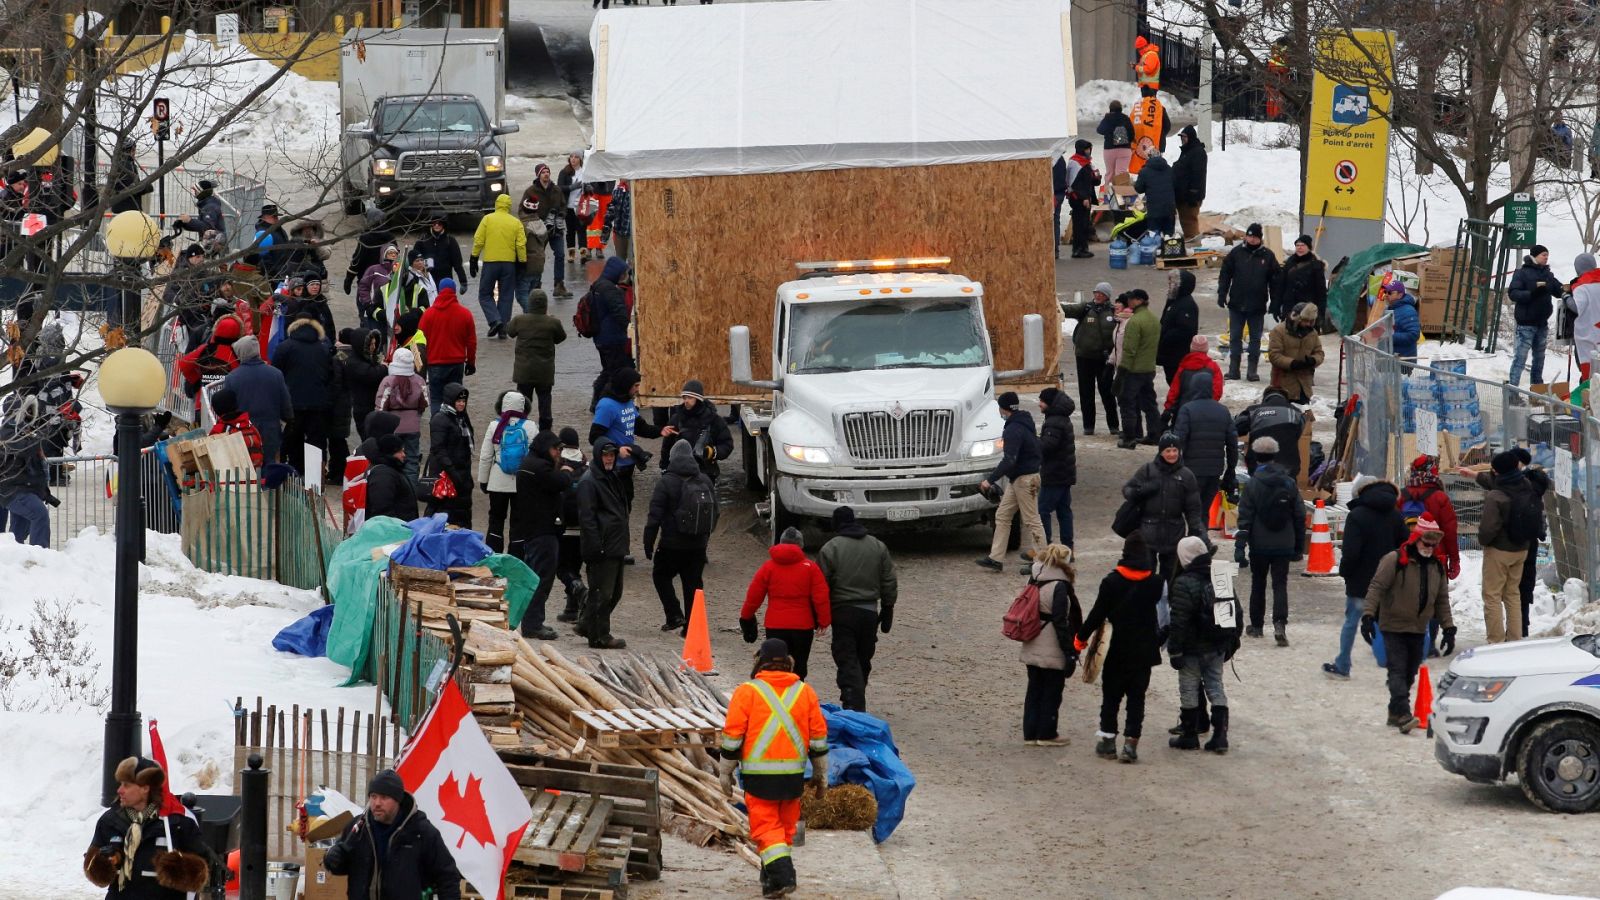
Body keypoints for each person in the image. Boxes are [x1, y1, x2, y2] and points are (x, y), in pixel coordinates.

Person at [717, 638, 829, 899]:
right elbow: (818, 738)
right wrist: (822, 774)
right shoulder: (805, 692)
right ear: (788, 663)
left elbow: (733, 737)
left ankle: (782, 876)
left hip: (759, 778)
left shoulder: (747, 692)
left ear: (759, 662)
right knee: (785, 828)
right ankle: (770, 880)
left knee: (766, 828)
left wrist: (724, 771)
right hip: (793, 777)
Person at [1361, 516, 1454, 733]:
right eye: (1426, 543)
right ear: (1416, 539)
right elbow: (1376, 587)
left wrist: (1449, 628)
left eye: (1433, 545)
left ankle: (1394, 713)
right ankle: (1403, 714)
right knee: (1397, 669)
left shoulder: (1436, 567)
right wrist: (1367, 615)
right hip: (1392, 625)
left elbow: (1442, 600)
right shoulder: (1394, 560)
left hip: (1418, 628)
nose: (1429, 548)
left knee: (1410, 672)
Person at [1079, 531, 1162, 763]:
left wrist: (1080, 638)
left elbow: (1097, 615)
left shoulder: (1111, 582)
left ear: (1125, 554)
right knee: (1137, 699)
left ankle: (1107, 742)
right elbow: (1165, 617)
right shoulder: (1156, 583)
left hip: (1115, 651)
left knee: (1111, 697)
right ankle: (1130, 745)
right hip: (1144, 653)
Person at [84, 756, 211, 899]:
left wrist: (177, 868)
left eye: (127, 785)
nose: (119, 790)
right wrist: (103, 863)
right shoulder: (110, 820)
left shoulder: (177, 822)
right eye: (120, 784)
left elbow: (202, 874)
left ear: (145, 788)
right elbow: (91, 867)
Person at [323, 769, 462, 900]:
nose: (377, 803)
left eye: (384, 797)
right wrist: (331, 859)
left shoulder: (421, 832)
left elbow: (448, 877)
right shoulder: (358, 828)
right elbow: (341, 866)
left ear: (398, 800)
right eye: (373, 796)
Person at [1324, 475, 1408, 680]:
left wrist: (1345, 572)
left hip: (1361, 581)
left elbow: (1351, 552)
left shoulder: (1357, 516)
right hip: (1388, 579)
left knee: (1351, 622)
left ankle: (1343, 664)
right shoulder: (1395, 514)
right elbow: (1405, 545)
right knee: (1387, 623)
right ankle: (1395, 665)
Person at [819, 506, 897, 713]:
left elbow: (821, 585)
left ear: (836, 524)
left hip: (842, 612)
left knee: (846, 658)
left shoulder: (830, 548)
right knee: (863, 658)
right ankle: (856, 696)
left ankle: (853, 703)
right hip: (870, 612)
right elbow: (888, 579)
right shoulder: (878, 546)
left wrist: (820, 615)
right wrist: (888, 607)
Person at [1167, 536, 1238, 753]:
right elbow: (1235, 611)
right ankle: (1220, 736)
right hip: (1217, 644)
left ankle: (1189, 734)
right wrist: (1232, 642)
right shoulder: (1221, 574)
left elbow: (1179, 620)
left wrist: (1174, 649)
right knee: (1216, 686)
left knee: (1188, 688)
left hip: (1191, 647)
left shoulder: (1183, 582)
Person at [1233, 436, 1304, 646]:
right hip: (1285, 542)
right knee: (1280, 584)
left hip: (1260, 543)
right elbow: (1299, 515)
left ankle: (1256, 626)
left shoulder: (1254, 483)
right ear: (1275, 455)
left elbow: (1245, 516)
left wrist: (1240, 546)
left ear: (1256, 456)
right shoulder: (1289, 482)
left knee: (1258, 583)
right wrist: (1298, 546)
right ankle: (1280, 624)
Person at [645, 440, 718, 633]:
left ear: (672, 458)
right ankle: (692, 628)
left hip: (671, 544)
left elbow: (654, 516)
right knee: (693, 585)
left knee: (661, 576)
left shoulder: (666, 482)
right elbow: (715, 512)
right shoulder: (705, 480)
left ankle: (674, 614)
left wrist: (648, 543)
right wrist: (704, 539)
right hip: (697, 545)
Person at [742, 526, 831, 678]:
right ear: (801, 545)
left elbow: (754, 595)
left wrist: (746, 617)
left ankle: (776, 697)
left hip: (775, 625)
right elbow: (821, 597)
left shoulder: (768, 567)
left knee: (775, 666)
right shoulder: (810, 567)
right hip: (803, 626)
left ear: (780, 542)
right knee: (799, 667)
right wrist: (824, 621)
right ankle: (796, 696)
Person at [1017, 543, 1080, 746]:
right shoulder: (1060, 586)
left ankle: (1030, 732)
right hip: (1051, 644)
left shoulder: (1035, 579)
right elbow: (1061, 622)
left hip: (1032, 640)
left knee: (1034, 689)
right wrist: (1069, 651)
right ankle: (1047, 733)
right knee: (1052, 691)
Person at [1122, 431, 1206, 581]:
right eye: (1168, 451)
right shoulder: (1147, 470)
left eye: (1175, 450)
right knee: (1147, 578)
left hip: (1174, 535)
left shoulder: (1187, 475)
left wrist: (1197, 530)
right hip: (1148, 533)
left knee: (1170, 579)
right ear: (1161, 452)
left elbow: (1193, 508)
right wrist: (1143, 490)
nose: (1172, 454)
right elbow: (1127, 491)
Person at [976, 392, 1045, 571]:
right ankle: (996, 558)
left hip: (1023, 480)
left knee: (1031, 520)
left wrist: (989, 480)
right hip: (1022, 478)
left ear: (1003, 408)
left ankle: (1043, 561)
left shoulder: (1013, 429)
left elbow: (1009, 460)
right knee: (1003, 515)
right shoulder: (1025, 423)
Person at [511, 429, 569, 641]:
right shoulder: (541, 467)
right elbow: (562, 483)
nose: (558, 453)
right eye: (556, 449)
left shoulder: (527, 464)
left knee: (534, 577)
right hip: (543, 530)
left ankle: (532, 622)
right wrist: (567, 470)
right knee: (541, 579)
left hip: (531, 529)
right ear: (547, 448)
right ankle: (533, 624)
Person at [1478, 450, 1541, 643]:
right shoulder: (1528, 486)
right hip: (1522, 549)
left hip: (1499, 550)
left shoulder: (1496, 495)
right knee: (1513, 594)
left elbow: (1488, 529)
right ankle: (1514, 639)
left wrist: (1484, 541)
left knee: (1492, 595)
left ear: (1497, 472)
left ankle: (1495, 642)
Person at [577, 437, 631, 649]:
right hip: (603, 546)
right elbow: (587, 519)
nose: (609, 459)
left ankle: (587, 624)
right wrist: (596, 546)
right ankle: (599, 635)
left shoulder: (610, 477)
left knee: (613, 593)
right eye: (606, 455)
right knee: (602, 593)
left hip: (614, 544)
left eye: (612, 455)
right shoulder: (590, 482)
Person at [590, 368, 669, 510]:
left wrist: (661, 431)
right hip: (612, 468)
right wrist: (616, 449)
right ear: (626, 385)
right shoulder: (607, 406)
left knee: (627, 504)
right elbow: (594, 437)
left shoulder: (628, 402)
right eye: (636, 386)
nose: (638, 389)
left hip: (628, 465)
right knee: (614, 508)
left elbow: (640, 428)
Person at [271, 316, 335, 478]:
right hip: (317, 403)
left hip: (293, 402)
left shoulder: (285, 347)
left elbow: (277, 373)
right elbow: (330, 374)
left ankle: (294, 473)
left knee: (293, 439)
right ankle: (315, 477)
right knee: (316, 441)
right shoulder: (323, 349)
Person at [1217, 223, 1280, 381]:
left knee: (1255, 339)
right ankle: (1234, 370)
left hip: (1257, 305)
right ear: (1245, 236)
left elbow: (1275, 281)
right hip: (1237, 304)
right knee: (1235, 337)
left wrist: (1275, 303)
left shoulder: (1268, 256)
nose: (1252, 240)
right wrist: (1222, 293)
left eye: (1255, 237)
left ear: (1260, 238)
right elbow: (1225, 274)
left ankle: (1252, 371)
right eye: (1249, 236)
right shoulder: (1236, 253)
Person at [222, 335, 293, 465]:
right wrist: (288, 420)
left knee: (246, 466)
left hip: (243, 431)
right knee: (269, 466)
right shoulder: (276, 374)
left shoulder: (232, 378)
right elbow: (285, 403)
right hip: (271, 429)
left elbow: (228, 409)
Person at [1172, 371, 1235, 515]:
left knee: (1190, 508)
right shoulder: (1223, 411)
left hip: (1191, 469)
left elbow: (1178, 440)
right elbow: (1232, 444)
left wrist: (1174, 466)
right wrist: (1230, 468)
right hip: (1214, 469)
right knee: (1205, 509)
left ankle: (1194, 534)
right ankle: (1202, 534)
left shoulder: (1187, 409)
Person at [1060, 283, 1120, 435]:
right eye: (1096, 292)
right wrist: (1052, 302)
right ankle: (1089, 427)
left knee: (1107, 392)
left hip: (1105, 359)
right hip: (1084, 358)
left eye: (1101, 293)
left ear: (1107, 295)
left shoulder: (1114, 311)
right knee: (1086, 393)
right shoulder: (1086, 308)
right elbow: (1067, 310)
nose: (1098, 295)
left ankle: (1113, 426)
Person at [478, 390, 530, 554]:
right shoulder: (530, 426)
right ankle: (517, 557)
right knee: (518, 522)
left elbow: (486, 456)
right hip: (521, 484)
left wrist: (483, 480)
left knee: (496, 520)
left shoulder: (495, 425)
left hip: (498, 481)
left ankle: (494, 555)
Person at [506, 289, 566, 433]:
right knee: (545, 402)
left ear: (530, 303)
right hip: (544, 372)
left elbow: (509, 331)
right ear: (545, 305)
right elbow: (561, 338)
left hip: (524, 371)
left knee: (522, 402)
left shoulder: (519, 320)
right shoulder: (553, 323)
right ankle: (545, 431)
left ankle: (520, 428)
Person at [469, 193, 527, 337]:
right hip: (509, 264)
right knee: (506, 296)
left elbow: (478, 240)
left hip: (491, 263)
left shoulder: (487, 219)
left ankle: (495, 320)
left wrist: (474, 258)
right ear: (508, 206)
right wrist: (522, 262)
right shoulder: (515, 222)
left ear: (496, 204)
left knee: (484, 294)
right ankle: (503, 329)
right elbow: (521, 245)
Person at [417, 278, 477, 417]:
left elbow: (419, 342)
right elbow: (471, 342)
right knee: (456, 398)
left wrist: (420, 366)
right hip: (456, 364)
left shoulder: (428, 315)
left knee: (437, 398)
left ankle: (438, 429)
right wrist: (471, 363)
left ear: (439, 291)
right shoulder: (465, 314)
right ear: (454, 291)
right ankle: (456, 428)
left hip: (435, 364)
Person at [1507, 244, 1560, 387]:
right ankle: (1512, 392)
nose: (1546, 257)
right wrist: (1531, 294)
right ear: (1535, 256)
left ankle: (1537, 390)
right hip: (1526, 324)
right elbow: (1513, 293)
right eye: (1544, 255)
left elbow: (1558, 289)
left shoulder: (1548, 274)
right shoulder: (1522, 273)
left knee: (1539, 359)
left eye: (1547, 255)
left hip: (1542, 324)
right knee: (1520, 358)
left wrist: (1571, 288)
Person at [0, 398, 51, 547]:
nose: (30, 415)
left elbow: (36, 466)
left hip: (27, 488)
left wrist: (44, 491)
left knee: (18, 534)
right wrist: (43, 433)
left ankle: (17, 559)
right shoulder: (8, 433)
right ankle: (42, 555)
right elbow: (25, 450)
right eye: (26, 411)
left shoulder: (27, 433)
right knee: (39, 515)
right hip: (13, 490)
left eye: (32, 411)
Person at [1115, 289, 1161, 450]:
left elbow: (1129, 350)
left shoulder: (1135, 322)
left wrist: (1121, 372)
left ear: (1138, 301)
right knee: (1149, 404)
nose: (1128, 302)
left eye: (1131, 299)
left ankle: (1129, 438)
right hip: (1149, 369)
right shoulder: (1154, 320)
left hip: (1133, 370)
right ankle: (1155, 435)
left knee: (1127, 403)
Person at [375, 347, 428, 485]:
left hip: (393, 426)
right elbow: (425, 402)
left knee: (391, 458)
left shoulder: (388, 381)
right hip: (413, 426)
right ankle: (411, 489)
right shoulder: (419, 380)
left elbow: (380, 405)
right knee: (412, 459)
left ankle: (393, 486)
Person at [554, 428, 591, 624]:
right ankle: (572, 607)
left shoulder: (558, 463)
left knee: (561, 568)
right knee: (575, 566)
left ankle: (578, 590)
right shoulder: (587, 464)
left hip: (564, 526)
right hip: (583, 527)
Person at [588, 256, 634, 411]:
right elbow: (619, 313)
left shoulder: (598, 285)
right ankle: (601, 401)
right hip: (612, 338)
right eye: (623, 273)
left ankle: (598, 400)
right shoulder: (610, 290)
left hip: (602, 337)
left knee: (608, 370)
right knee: (614, 371)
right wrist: (629, 329)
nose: (625, 277)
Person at [662, 379, 734, 480]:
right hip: (679, 473)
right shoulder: (677, 419)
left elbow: (727, 444)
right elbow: (667, 446)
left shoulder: (713, 419)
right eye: (684, 397)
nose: (686, 401)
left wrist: (712, 452)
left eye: (690, 397)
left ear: (698, 398)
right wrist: (664, 468)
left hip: (705, 473)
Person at [425, 384, 474, 527]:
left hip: (462, 473)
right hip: (445, 476)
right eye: (458, 401)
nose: (461, 404)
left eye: (464, 401)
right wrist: (453, 472)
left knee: (462, 513)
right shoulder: (440, 419)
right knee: (443, 514)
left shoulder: (462, 418)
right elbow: (438, 449)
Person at [1036, 388, 1077, 549]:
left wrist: (1032, 441)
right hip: (1064, 473)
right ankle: (1068, 548)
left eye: (1042, 401)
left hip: (1054, 474)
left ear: (1050, 403)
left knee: (1042, 511)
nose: (1039, 404)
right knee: (1064, 511)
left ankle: (1045, 547)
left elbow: (1047, 446)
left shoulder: (1054, 421)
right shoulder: (1061, 418)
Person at [1235, 387, 1306, 478]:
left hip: (1258, 463)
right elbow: (1298, 433)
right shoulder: (1296, 412)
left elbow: (1237, 429)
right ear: (1285, 398)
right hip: (1289, 465)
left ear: (1265, 397)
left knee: (1259, 489)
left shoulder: (1253, 410)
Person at [176, 313, 242, 405]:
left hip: (203, 402)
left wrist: (196, 379)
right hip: (229, 406)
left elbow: (184, 365)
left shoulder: (205, 349)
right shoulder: (237, 354)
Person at [525, 163, 570, 297]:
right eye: (543, 172)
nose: (546, 174)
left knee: (560, 254)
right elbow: (524, 209)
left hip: (555, 228)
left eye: (547, 172)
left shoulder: (556, 190)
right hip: (539, 230)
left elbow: (563, 205)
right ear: (538, 175)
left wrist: (561, 214)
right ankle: (536, 286)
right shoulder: (531, 191)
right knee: (538, 257)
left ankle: (559, 285)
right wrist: (534, 222)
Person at [1265, 301, 1323, 404]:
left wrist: (1313, 360)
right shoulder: (1279, 331)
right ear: (1297, 318)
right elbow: (1274, 355)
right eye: (1306, 321)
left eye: (1311, 321)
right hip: (1282, 384)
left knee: (1304, 416)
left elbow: (1319, 353)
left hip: (1304, 385)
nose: (1308, 324)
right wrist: (1292, 363)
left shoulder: (1312, 333)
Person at [337, 329, 387, 441]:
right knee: (369, 439)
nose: (373, 347)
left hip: (370, 405)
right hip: (363, 407)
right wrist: (384, 367)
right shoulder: (354, 362)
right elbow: (370, 374)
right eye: (371, 344)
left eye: (375, 343)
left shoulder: (365, 358)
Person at [1155, 269, 1199, 385]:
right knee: (1172, 383)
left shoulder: (1187, 304)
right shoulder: (1173, 300)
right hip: (1169, 354)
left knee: (1177, 385)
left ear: (1180, 285)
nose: (1169, 285)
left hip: (1177, 356)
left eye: (1172, 283)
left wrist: (1166, 337)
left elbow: (1185, 330)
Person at [1163, 334, 1223, 416]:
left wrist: (1168, 409)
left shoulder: (1183, 366)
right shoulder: (1213, 367)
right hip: (1206, 411)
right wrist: (1210, 404)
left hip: (1184, 410)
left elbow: (1174, 391)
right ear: (1207, 349)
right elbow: (1217, 391)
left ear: (1191, 348)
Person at [364, 433, 418, 523]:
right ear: (390, 453)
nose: (404, 455)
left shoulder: (392, 469)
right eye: (400, 451)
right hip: (394, 531)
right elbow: (382, 510)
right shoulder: (383, 474)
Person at [1277, 234, 1329, 329]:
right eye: (1297, 245)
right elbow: (1281, 286)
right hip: (1290, 308)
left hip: (1308, 309)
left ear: (1309, 247)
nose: (1299, 248)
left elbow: (1321, 291)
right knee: (1288, 337)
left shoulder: (1316, 265)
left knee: (1307, 339)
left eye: (1302, 245)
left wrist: (1320, 313)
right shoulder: (1289, 263)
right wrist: (1276, 306)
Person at [1061, 139, 1100, 259]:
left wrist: (1096, 175)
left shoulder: (1085, 162)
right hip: (1079, 198)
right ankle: (1079, 249)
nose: (1089, 151)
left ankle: (1082, 248)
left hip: (1083, 197)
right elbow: (1075, 183)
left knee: (1083, 223)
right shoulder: (1077, 163)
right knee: (1080, 224)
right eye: (1087, 149)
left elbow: (1093, 181)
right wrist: (1083, 198)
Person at [208, 388, 265, 469]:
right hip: (256, 477)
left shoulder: (219, 430)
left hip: (231, 478)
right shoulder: (250, 426)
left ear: (217, 409)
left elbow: (211, 458)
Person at [412, 211, 468, 291]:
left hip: (445, 279)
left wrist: (463, 282)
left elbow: (457, 263)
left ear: (444, 225)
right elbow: (414, 259)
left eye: (439, 223)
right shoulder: (423, 239)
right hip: (427, 279)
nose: (436, 225)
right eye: (434, 223)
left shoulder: (450, 240)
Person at [1171, 124, 1207, 240]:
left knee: (1189, 222)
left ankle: (1194, 246)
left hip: (1190, 197)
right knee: (1185, 221)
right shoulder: (1187, 150)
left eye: (1185, 137)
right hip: (1183, 195)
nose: (1183, 139)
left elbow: (1198, 175)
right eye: (1182, 137)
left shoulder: (1197, 152)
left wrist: (1193, 193)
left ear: (1191, 137)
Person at [356, 244, 400, 332]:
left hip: (391, 311)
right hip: (374, 310)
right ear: (384, 254)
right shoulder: (374, 269)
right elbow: (363, 286)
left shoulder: (399, 271)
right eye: (390, 253)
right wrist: (368, 303)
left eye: (395, 253)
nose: (393, 255)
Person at [1132, 149, 1176, 238]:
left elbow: (1139, 189)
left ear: (1148, 157)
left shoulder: (1144, 171)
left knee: (1154, 237)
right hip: (1169, 209)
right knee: (1169, 238)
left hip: (1154, 210)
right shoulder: (1170, 169)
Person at [1379, 275, 1421, 361]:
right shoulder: (1390, 308)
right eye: (1386, 292)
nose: (1386, 295)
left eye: (1390, 293)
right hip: (1390, 360)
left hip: (1402, 362)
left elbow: (1413, 335)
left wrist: (1390, 337)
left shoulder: (1408, 311)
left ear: (1400, 295)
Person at [1097, 100, 1135, 181]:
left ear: (1110, 109)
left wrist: (1110, 131)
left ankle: (1108, 193)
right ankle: (1121, 193)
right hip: (1125, 150)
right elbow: (1132, 134)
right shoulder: (1126, 118)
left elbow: (1100, 130)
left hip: (1109, 149)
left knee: (1110, 173)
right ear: (1121, 109)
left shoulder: (1108, 118)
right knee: (1121, 173)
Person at [398, 249, 437, 316]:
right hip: (423, 313)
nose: (420, 262)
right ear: (411, 263)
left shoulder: (428, 274)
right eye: (417, 261)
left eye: (422, 260)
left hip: (435, 310)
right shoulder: (411, 277)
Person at [602, 178, 633, 262]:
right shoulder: (617, 190)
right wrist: (606, 230)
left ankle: (631, 274)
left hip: (633, 234)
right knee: (620, 260)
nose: (621, 177)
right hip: (619, 232)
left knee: (632, 261)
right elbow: (611, 210)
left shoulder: (636, 190)